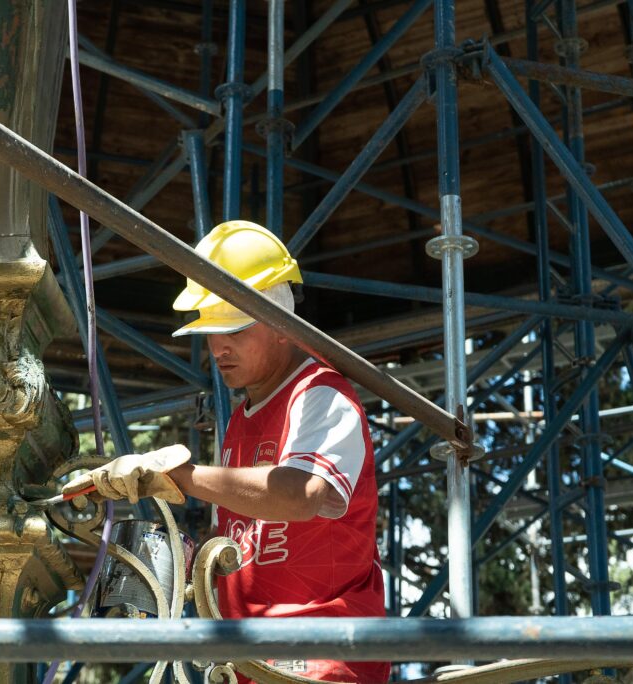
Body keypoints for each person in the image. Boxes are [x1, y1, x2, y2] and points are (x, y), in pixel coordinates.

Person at [63, 220, 389, 683]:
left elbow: (302, 494)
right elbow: (238, 543)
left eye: (233, 328)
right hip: (251, 663)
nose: (218, 347)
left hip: (321, 656)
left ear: (281, 323)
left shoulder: (321, 394)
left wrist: (180, 475)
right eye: (210, 330)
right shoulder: (241, 421)